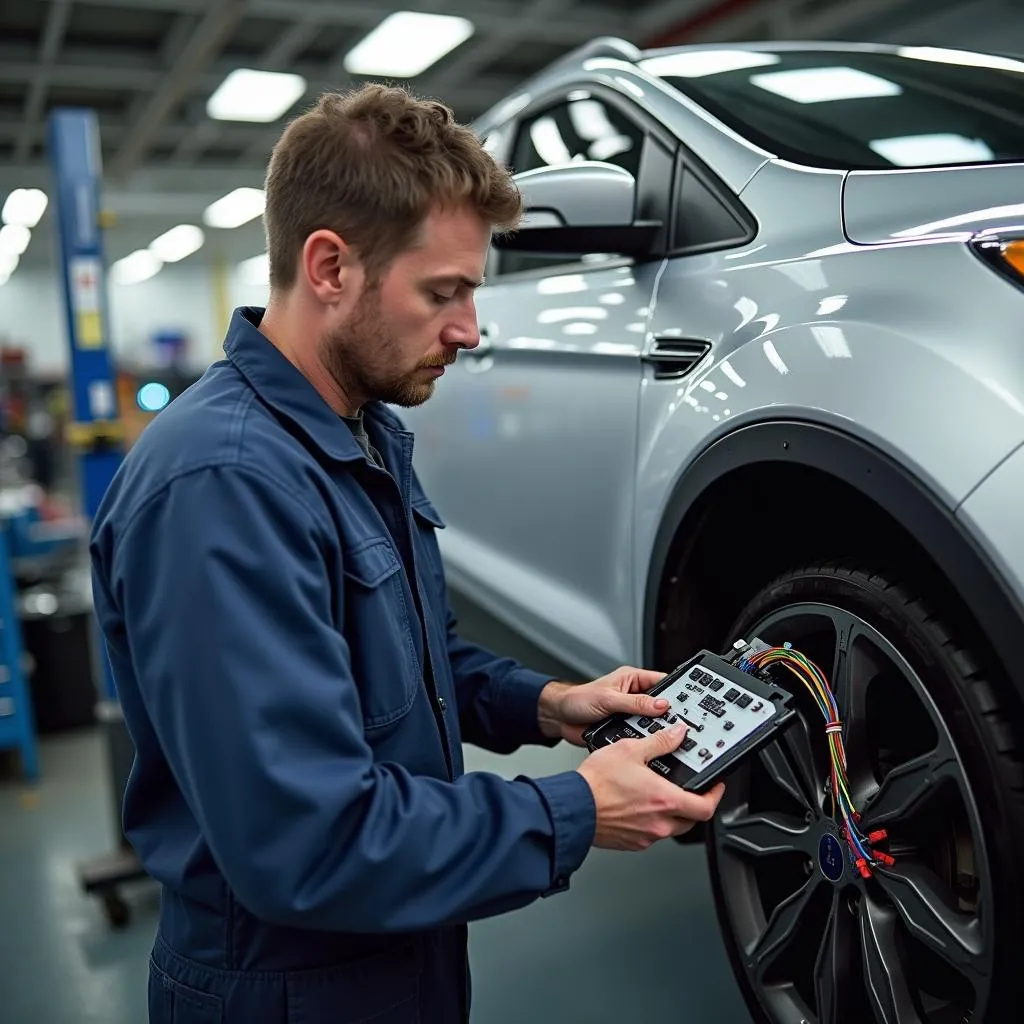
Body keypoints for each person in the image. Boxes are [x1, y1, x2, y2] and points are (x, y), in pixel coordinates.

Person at [89, 84, 726, 1024]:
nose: (470, 329)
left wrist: (550, 706)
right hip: (287, 992)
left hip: (397, 959)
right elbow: (309, 845)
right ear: (331, 267)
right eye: (444, 291)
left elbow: (400, 659)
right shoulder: (222, 488)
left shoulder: (360, 428)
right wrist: (576, 811)